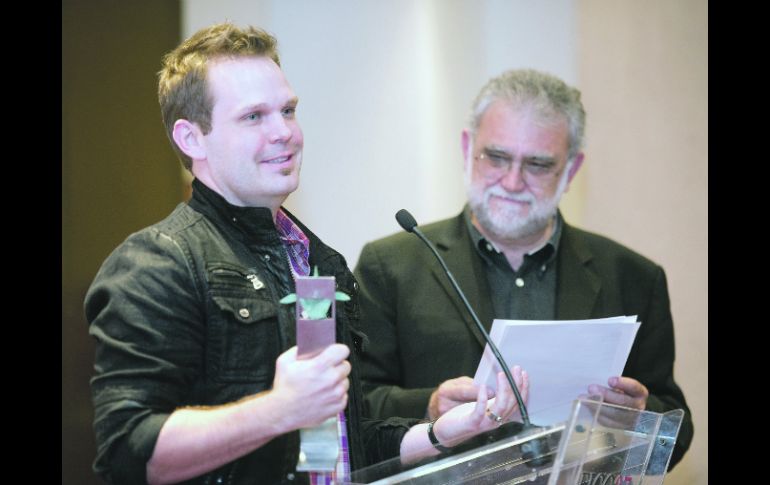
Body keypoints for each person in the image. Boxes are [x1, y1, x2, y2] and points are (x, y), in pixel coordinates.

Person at [85, 23, 527, 485]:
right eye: (253, 116)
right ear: (191, 138)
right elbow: (128, 451)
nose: (285, 132)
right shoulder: (158, 263)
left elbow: (334, 447)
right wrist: (277, 410)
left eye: (288, 110)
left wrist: (443, 433)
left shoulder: (316, 260)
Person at [354, 68, 693, 468]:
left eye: (537, 164)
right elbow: (353, 408)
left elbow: (675, 435)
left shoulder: (633, 277)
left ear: (571, 170)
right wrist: (428, 407)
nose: (512, 182)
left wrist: (638, 417)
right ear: (467, 148)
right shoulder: (391, 266)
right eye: (497, 157)